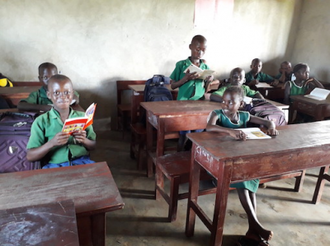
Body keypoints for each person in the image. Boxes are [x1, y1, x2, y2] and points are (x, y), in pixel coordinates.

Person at [206, 86, 278, 246]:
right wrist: (230, 132)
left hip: (241, 162)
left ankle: (253, 229)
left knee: (249, 178)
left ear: (241, 104)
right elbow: (209, 127)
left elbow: (266, 121)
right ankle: (256, 226)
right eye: (224, 101)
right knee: (242, 179)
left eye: (231, 102)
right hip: (220, 162)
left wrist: (271, 127)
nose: (225, 105)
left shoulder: (245, 115)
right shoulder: (216, 114)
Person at [26, 74, 96, 169]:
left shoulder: (83, 117)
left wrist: (84, 140)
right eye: (56, 93)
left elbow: (93, 146)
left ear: (73, 94)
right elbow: (30, 156)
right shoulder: (41, 121)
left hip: (82, 162)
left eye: (67, 92)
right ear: (49, 95)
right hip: (54, 166)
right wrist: (51, 143)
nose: (63, 96)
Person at [170, 35, 218, 151]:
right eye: (197, 49)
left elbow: (206, 90)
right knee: (184, 134)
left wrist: (208, 81)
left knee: (198, 134)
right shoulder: (181, 65)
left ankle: (190, 156)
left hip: (199, 105)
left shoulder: (205, 67)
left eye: (203, 50)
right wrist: (185, 78)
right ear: (190, 47)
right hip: (183, 105)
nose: (200, 52)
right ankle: (179, 155)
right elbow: (172, 85)